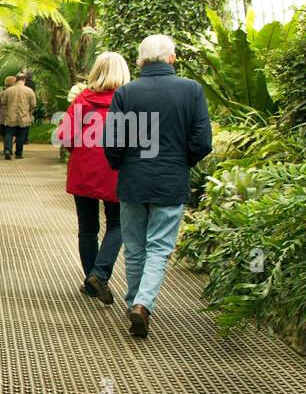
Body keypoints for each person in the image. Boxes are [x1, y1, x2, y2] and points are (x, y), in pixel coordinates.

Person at [103, 34, 212, 338]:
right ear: (172, 58)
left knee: (135, 247)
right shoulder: (192, 91)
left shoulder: (126, 93)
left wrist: (121, 165)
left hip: (133, 180)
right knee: (160, 248)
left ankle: (135, 302)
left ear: (139, 61)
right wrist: (181, 163)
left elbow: (112, 141)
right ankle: (142, 304)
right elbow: (202, 142)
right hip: (171, 181)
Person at [56, 52, 129, 304]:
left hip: (84, 170)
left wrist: (79, 151)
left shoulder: (83, 100)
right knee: (117, 225)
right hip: (117, 171)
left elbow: (64, 136)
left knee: (88, 228)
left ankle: (91, 282)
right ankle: (100, 274)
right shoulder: (130, 100)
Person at [0, 71, 37, 159]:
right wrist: (29, 113)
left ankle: (8, 150)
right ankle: (18, 154)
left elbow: (3, 102)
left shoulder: (8, 91)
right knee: (21, 135)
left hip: (10, 115)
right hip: (23, 116)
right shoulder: (29, 91)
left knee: (9, 133)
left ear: (16, 80)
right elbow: (33, 105)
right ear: (24, 80)